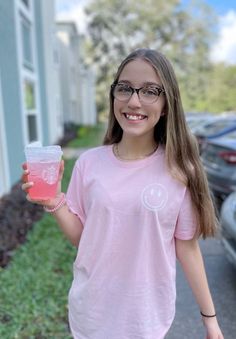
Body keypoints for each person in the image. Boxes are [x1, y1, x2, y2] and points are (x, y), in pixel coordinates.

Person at [22, 48, 224, 339]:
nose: (134, 100)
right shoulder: (89, 163)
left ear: (167, 104)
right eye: (125, 88)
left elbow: (187, 248)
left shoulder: (180, 170)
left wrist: (210, 320)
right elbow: (85, 238)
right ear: (114, 95)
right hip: (90, 313)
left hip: (145, 319)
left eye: (150, 91)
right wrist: (54, 201)